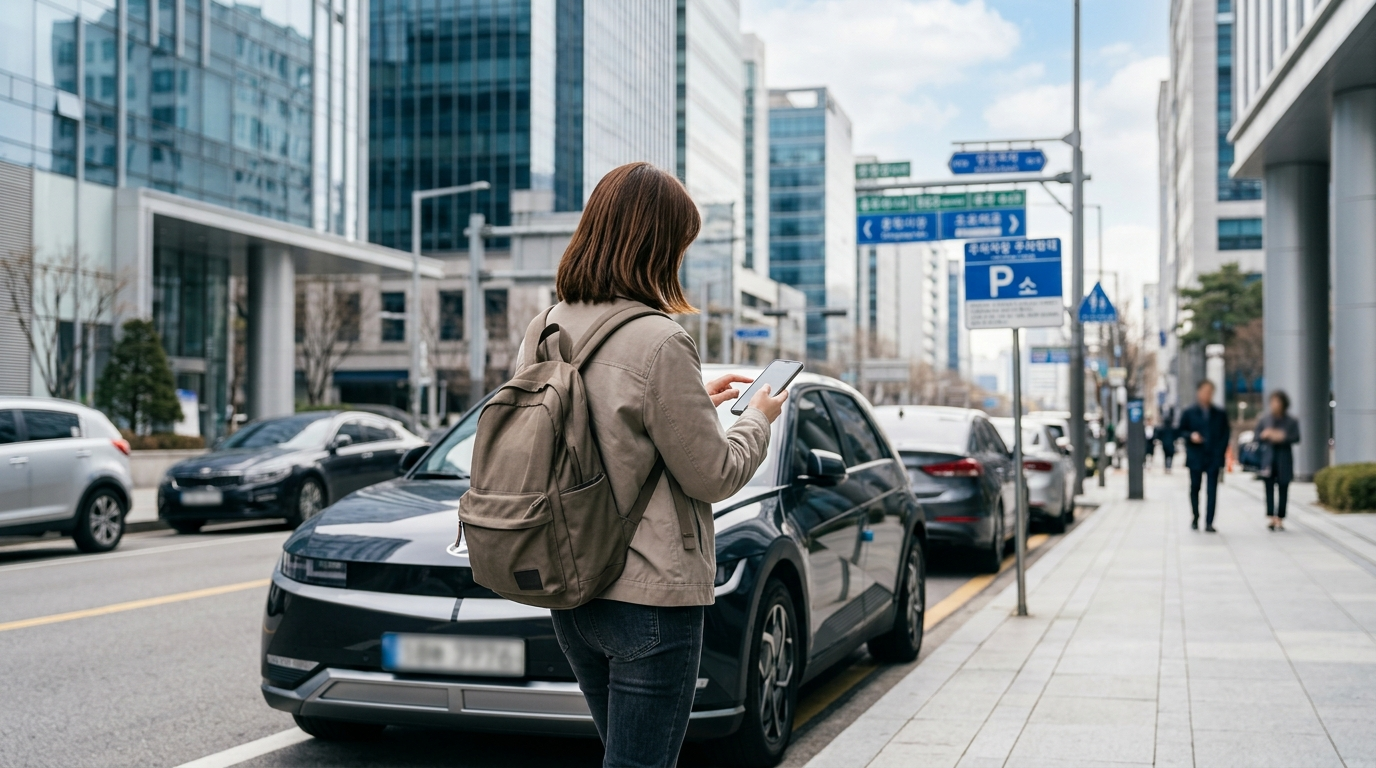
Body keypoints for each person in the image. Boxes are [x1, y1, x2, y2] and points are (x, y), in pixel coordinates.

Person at [528, 162, 787, 768]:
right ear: (658, 245)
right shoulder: (661, 339)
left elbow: (601, 422)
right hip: (648, 598)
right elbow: (714, 474)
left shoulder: (547, 325)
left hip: (573, 588)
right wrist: (759, 418)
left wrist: (694, 395)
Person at [1178, 380, 1230, 532]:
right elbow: (1181, 431)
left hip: (1213, 457)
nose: (1207, 395)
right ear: (1198, 392)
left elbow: (1225, 434)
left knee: (1212, 490)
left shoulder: (1219, 413)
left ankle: (1209, 522)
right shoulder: (1189, 412)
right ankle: (1195, 516)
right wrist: (1191, 436)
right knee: (1195, 488)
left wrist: (1219, 452)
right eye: (1205, 391)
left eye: (1210, 392)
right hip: (1196, 456)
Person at [1255, 390, 1300, 531]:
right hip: (1268, 458)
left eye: (1277, 402)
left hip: (1284, 458)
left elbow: (1296, 437)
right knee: (1268, 488)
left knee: (1283, 488)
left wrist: (1282, 437)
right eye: (1272, 402)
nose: (1274, 405)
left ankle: (1280, 517)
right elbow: (1256, 437)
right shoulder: (1265, 419)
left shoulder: (1291, 421)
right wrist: (1265, 435)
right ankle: (1271, 517)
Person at [1159, 408, 1177, 473]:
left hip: (1165, 444)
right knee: (1170, 456)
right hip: (1171, 444)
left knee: (1166, 456)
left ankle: (1167, 467)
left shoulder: (1163, 428)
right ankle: (1169, 467)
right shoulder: (1172, 428)